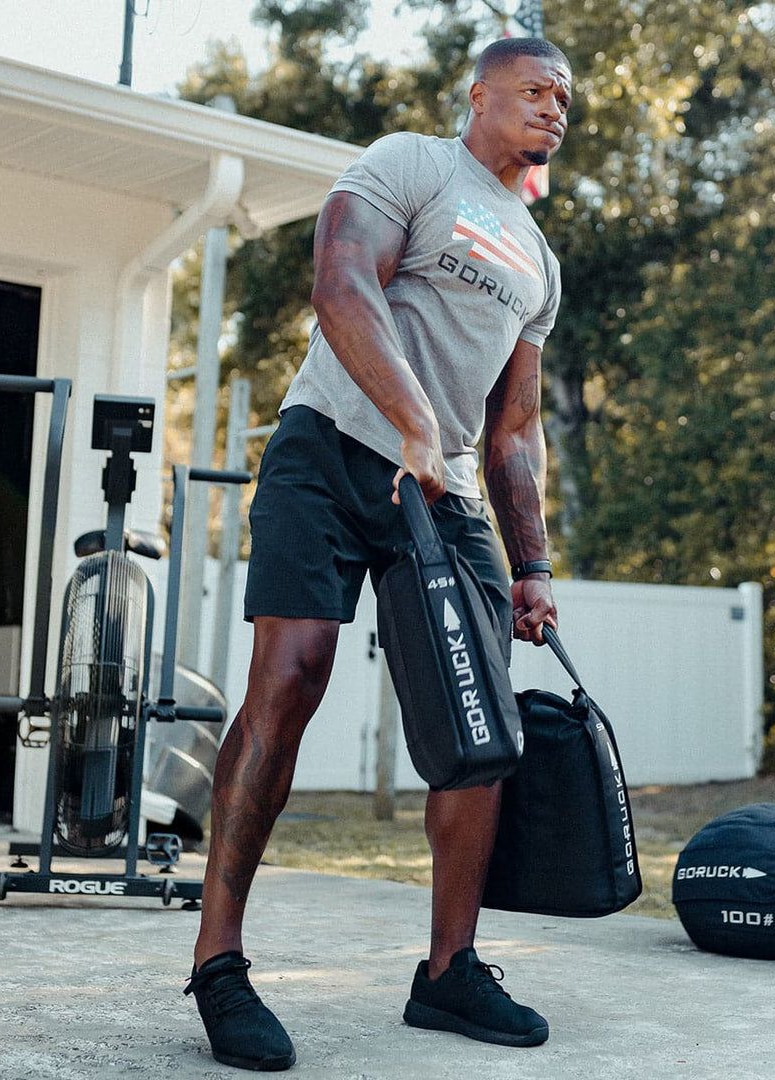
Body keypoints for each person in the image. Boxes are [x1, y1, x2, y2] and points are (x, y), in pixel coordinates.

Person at [184, 37, 573, 1071]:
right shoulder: (411, 165)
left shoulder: (538, 260)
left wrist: (530, 561)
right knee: (291, 674)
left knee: (476, 722)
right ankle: (219, 965)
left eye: (564, 97)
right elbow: (343, 280)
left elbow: (513, 430)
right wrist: (406, 416)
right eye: (535, 90)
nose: (554, 108)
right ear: (478, 93)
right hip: (330, 448)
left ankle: (450, 972)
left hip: (438, 487)